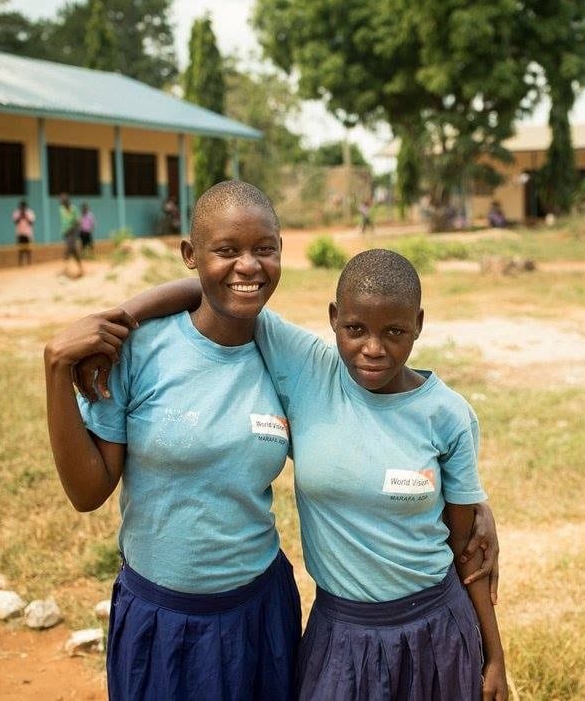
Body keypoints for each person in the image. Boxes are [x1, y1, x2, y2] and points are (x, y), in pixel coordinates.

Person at [83, 248, 507, 699]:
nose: (374, 348)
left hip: (434, 627)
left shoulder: (449, 414)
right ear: (333, 319)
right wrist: (117, 321)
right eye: (355, 329)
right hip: (339, 632)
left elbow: (467, 552)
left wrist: (495, 655)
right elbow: (218, 289)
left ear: (419, 324)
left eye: (396, 331)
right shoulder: (308, 370)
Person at [43, 181, 303, 699]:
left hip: (260, 610)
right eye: (227, 250)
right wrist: (55, 367)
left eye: (264, 249)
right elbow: (87, 492)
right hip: (163, 618)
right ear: (190, 254)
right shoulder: (140, 351)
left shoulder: (287, 356)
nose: (248, 266)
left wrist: (467, 497)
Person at [58, 193, 82, 278]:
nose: (61, 201)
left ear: (67, 201)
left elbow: (78, 221)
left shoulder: (74, 209)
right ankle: (80, 269)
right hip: (66, 232)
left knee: (69, 247)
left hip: (73, 231)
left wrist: (75, 225)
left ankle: (65, 269)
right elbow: (65, 221)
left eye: (63, 200)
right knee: (73, 250)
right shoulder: (61, 209)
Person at [12, 200, 35, 266]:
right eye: (21, 206)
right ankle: (20, 263)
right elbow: (15, 222)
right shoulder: (16, 212)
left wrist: (26, 216)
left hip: (28, 233)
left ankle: (29, 262)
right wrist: (20, 216)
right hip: (19, 233)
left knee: (28, 248)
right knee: (20, 249)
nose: (22, 208)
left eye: (23, 207)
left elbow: (31, 223)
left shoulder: (30, 212)